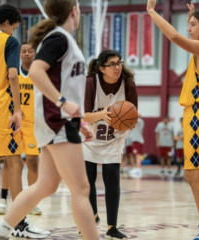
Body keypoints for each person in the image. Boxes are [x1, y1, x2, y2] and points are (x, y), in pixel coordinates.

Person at [0, 1, 101, 240]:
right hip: (58, 121)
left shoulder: (64, 40)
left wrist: (82, 121)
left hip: (61, 121)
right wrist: (63, 103)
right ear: (74, 10)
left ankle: (1, 230)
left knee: (46, 185)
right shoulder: (58, 39)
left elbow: (66, 85)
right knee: (81, 189)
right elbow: (36, 71)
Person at [0, 3, 48, 239]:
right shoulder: (8, 42)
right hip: (0, 114)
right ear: (6, 23)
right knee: (14, 164)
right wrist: (16, 109)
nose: (13, 32)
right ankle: (18, 223)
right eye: (13, 27)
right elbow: (13, 75)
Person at [147, 0, 199, 239]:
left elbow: (174, 37)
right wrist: (194, 16)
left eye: (193, 25)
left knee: (193, 174)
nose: (188, 28)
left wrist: (152, 12)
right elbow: (186, 32)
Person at [83, 49, 137, 239]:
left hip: (114, 139)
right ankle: (93, 216)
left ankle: (112, 227)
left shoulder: (128, 83)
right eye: (112, 64)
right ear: (102, 68)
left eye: (119, 62)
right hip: (90, 137)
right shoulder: (90, 82)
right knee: (86, 183)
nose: (117, 67)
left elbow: (134, 116)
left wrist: (127, 121)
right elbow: (84, 115)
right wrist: (104, 114)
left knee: (112, 181)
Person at [0, 42, 42, 216]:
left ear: (35, 53)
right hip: (13, 122)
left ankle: (32, 201)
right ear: (19, 53)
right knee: (10, 161)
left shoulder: (40, 74)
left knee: (33, 163)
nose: (27, 54)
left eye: (30, 51)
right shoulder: (12, 72)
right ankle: (2, 200)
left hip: (32, 124)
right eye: (24, 51)